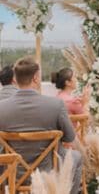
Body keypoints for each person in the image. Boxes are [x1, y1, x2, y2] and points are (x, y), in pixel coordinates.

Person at [0, 56, 82, 194]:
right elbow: (69, 138)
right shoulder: (55, 105)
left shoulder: (2, 107)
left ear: (16, 78)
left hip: (12, 172)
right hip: (49, 171)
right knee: (77, 157)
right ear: (36, 78)